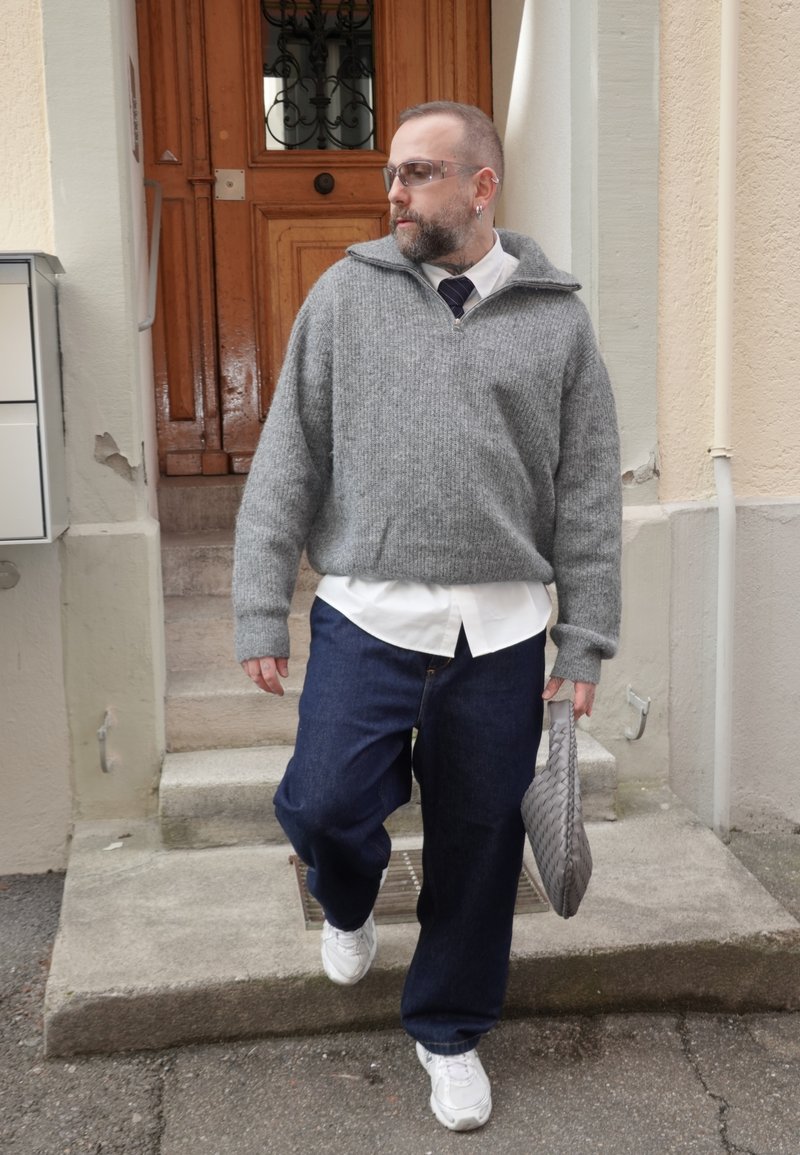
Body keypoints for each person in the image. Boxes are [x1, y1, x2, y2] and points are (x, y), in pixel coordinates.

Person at [233, 101, 621, 1132]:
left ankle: (447, 1030)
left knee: (478, 841)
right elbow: (287, 459)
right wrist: (257, 608)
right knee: (322, 803)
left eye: (416, 174)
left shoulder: (556, 321)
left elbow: (585, 495)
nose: (392, 193)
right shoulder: (343, 298)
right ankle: (348, 897)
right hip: (365, 615)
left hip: (498, 633)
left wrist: (582, 637)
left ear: (480, 186)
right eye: (391, 175)